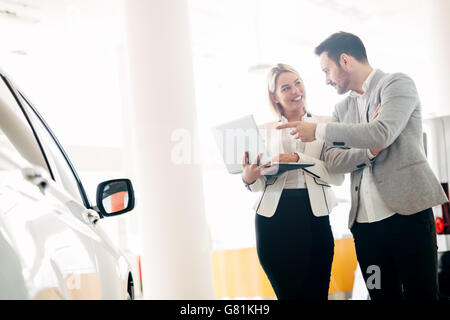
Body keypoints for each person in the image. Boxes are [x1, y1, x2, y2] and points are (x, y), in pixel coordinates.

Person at [277, 32, 449, 300]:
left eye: (327, 70)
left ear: (345, 61)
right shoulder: (341, 108)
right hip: (366, 228)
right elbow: (334, 160)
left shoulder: (396, 84)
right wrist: (369, 150)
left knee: (422, 296)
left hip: (408, 218)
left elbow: (382, 132)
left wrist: (321, 131)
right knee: (380, 295)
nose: (326, 80)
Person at [241, 63, 344, 300]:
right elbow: (256, 184)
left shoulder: (327, 124)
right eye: (286, 87)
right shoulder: (261, 131)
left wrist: (300, 159)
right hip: (273, 220)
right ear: (274, 96)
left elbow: (337, 176)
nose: (295, 90)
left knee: (317, 293)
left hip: (314, 215)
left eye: (298, 82)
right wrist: (249, 178)